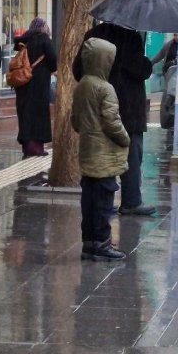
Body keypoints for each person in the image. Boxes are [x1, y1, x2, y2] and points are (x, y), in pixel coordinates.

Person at [73, 22, 156, 216]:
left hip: (96, 106)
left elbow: (77, 70)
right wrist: (147, 62)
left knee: (99, 153)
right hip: (128, 107)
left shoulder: (92, 36)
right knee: (132, 154)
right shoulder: (131, 37)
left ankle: (101, 200)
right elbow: (139, 70)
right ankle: (131, 201)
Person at [72, 37, 130, 261]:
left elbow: (75, 121)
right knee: (104, 202)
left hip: (88, 151)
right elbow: (112, 122)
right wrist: (125, 139)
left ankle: (89, 242)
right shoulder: (105, 88)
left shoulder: (82, 85)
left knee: (89, 201)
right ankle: (102, 243)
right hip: (104, 155)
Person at [13, 17, 58, 158]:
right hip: (38, 83)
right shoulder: (44, 39)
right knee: (38, 114)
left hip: (22, 82)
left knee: (25, 113)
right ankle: (36, 149)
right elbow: (53, 61)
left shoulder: (22, 40)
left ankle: (27, 147)